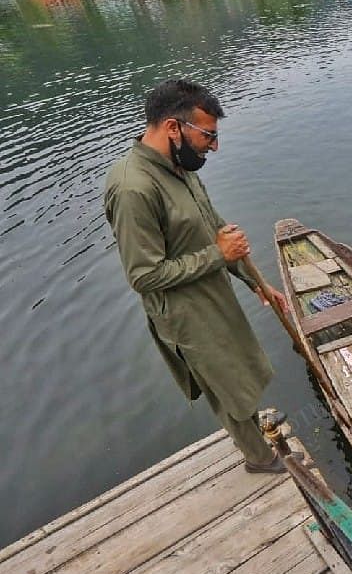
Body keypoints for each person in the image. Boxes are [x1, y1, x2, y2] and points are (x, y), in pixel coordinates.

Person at [103, 79, 295, 474]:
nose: (215, 146)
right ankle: (260, 459)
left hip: (211, 291)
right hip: (184, 312)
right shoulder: (133, 188)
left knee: (240, 369)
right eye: (208, 135)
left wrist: (259, 284)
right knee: (223, 382)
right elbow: (143, 275)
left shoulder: (181, 167)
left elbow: (215, 230)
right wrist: (216, 255)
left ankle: (256, 432)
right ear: (173, 127)